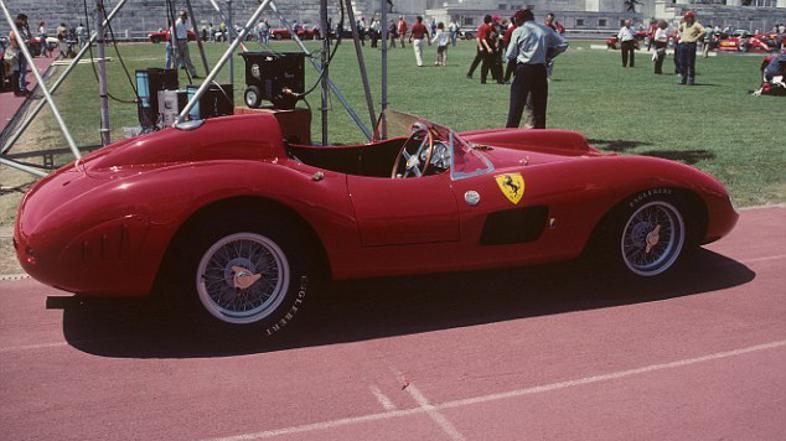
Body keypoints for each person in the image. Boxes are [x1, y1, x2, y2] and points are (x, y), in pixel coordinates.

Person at [505, 9, 568, 129]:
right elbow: (563, 43)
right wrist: (549, 54)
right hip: (540, 69)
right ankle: (539, 132)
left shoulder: (519, 31)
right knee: (539, 105)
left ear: (520, 20)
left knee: (516, 104)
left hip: (524, 69)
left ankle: (510, 130)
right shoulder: (545, 30)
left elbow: (510, 55)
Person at [677, 11, 705, 85]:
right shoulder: (684, 25)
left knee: (690, 63)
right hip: (683, 44)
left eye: (688, 17)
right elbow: (679, 30)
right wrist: (681, 36)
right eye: (685, 17)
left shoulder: (696, 25)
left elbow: (703, 31)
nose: (686, 19)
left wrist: (696, 38)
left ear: (691, 18)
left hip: (691, 44)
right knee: (682, 62)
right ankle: (683, 78)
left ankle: (691, 80)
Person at [7, 13, 32, 96]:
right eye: (25, 20)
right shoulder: (14, 31)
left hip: (23, 52)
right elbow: (14, 43)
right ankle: (20, 89)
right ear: (20, 20)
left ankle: (22, 88)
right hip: (17, 53)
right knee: (17, 72)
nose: (26, 22)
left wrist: (28, 29)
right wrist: (23, 43)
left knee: (22, 71)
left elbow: (30, 37)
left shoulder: (22, 29)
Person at [174, 11, 199, 78]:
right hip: (178, 41)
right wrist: (175, 43)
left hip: (184, 41)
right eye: (184, 16)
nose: (185, 17)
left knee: (187, 58)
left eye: (185, 16)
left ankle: (193, 74)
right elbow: (173, 33)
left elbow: (188, 29)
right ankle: (172, 74)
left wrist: (194, 30)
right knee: (176, 59)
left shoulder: (185, 23)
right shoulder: (177, 23)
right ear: (180, 16)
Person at [466, 15, 493, 79]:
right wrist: (487, 47)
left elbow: (478, 38)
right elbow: (483, 39)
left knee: (478, 60)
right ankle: (486, 76)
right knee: (487, 61)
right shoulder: (487, 27)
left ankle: (470, 73)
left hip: (480, 46)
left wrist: (480, 46)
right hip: (484, 46)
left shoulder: (481, 26)